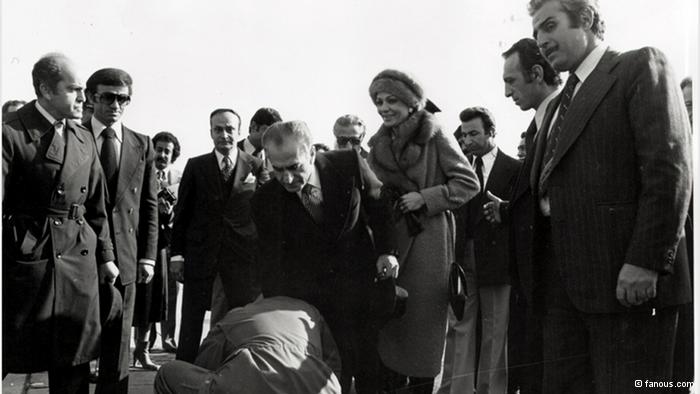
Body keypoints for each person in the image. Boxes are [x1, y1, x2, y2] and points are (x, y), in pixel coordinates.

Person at [525, 0, 692, 392]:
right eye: (536, 33)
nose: (542, 41)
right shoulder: (557, 107)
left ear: (585, 18)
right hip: (564, 292)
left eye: (550, 26)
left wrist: (646, 262)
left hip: (626, 287)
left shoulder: (638, 66)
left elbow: (669, 170)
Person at [251, 120, 398, 394]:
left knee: (370, 372)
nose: (287, 178)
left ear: (310, 153)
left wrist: (387, 251)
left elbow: (379, 205)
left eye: (294, 167)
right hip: (313, 306)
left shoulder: (348, 164)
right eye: (277, 169)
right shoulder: (264, 200)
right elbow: (270, 264)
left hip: (362, 292)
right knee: (328, 378)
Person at [2, 53, 115, 394]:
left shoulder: (83, 137)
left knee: (74, 361)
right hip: (29, 260)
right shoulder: (12, 134)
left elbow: (97, 205)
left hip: (79, 262)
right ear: (45, 90)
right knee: (14, 351)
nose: (85, 98)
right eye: (74, 89)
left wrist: (106, 256)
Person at [366, 69, 479, 393]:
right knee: (390, 329)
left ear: (411, 102)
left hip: (429, 244)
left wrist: (425, 198)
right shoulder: (379, 142)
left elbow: (468, 183)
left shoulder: (436, 134)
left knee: (422, 335)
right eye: (379, 101)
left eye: (391, 100)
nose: (384, 108)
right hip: (390, 243)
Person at [484, 37, 562, 394]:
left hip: (556, 283)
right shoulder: (539, 124)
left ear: (535, 73)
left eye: (510, 81)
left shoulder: (563, 117)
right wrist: (507, 209)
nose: (505, 92)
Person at [83, 68, 159, 388]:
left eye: (123, 99)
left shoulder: (142, 144)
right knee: (78, 342)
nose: (116, 105)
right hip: (81, 253)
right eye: (109, 97)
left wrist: (148, 257)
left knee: (118, 345)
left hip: (127, 256)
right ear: (90, 97)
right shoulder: (76, 137)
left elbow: (150, 204)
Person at [170, 108, 263, 363]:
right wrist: (177, 254)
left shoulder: (255, 165)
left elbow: (263, 214)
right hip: (201, 256)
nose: (224, 135)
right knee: (191, 320)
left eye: (230, 129)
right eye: (218, 129)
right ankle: (182, 372)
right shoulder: (196, 166)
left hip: (240, 258)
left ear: (239, 131)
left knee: (239, 319)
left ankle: (234, 371)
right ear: (210, 132)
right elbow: (183, 213)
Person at [440, 107, 520, 394]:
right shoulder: (459, 170)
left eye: (474, 133)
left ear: (491, 133)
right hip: (462, 258)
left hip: (498, 261)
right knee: (460, 326)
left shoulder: (513, 168)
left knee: (496, 330)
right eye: (464, 135)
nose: (467, 140)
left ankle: (491, 390)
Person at [153, 297, 342, 394]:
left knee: (167, 373)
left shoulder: (235, 316)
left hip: (253, 387)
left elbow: (203, 366)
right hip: (320, 389)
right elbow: (334, 362)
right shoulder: (308, 310)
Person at [150, 131, 183, 354]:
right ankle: (147, 340)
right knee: (150, 291)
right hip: (150, 243)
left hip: (172, 243)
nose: (162, 155)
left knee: (173, 292)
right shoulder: (143, 174)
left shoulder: (180, 178)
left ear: (174, 155)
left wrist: (171, 213)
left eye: (167, 151)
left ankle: (169, 338)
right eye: (159, 149)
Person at [238, 107, 282, 184]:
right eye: (269, 132)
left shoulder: (275, 158)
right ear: (254, 126)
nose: (273, 138)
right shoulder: (232, 152)